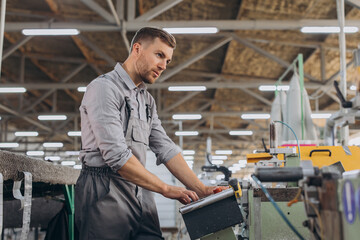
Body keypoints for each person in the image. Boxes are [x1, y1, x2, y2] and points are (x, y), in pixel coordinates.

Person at [75, 27, 221, 240]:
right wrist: (165, 188)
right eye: (159, 55)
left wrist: (201, 188)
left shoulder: (146, 100)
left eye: (168, 61)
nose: (163, 66)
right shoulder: (104, 89)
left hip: (140, 191)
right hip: (104, 190)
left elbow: (165, 147)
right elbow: (116, 155)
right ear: (137, 49)